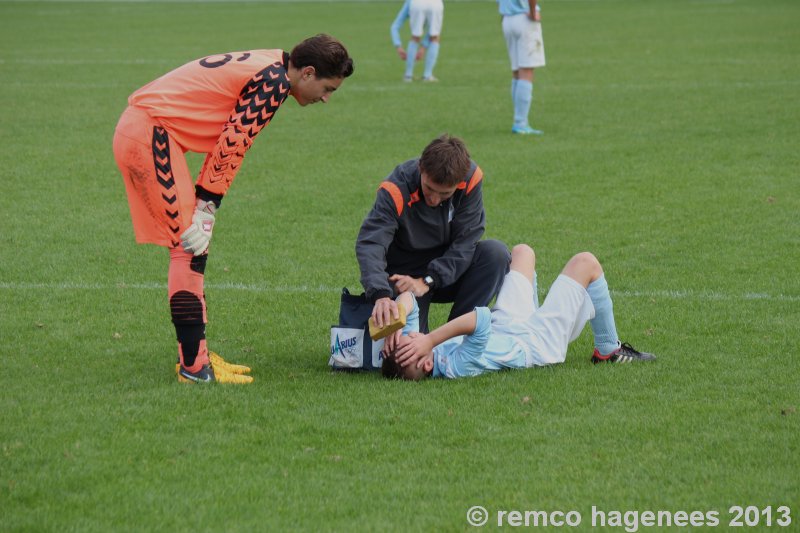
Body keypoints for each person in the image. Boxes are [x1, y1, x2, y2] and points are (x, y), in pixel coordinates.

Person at [113, 34, 354, 384]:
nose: (327, 99)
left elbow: (230, 137)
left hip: (151, 132)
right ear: (308, 72)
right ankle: (194, 368)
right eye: (328, 88)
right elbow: (234, 141)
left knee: (193, 248)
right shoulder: (274, 82)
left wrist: (206, 205)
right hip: (148, 134)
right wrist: (206, 208)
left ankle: (196, 357)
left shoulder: (274, 65)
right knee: (188, 249)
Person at [381, 244, 656, 380]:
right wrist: (429, 340)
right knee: (586, 262)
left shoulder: (413, 349)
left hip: (508, 326)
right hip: (535, 343)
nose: (412, 336)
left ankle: (536, 311)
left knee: (522, 252)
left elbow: (408, 296)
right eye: (412, 341)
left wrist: (398, 317)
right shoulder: (456, 367)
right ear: (427, 364)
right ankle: (608, 350)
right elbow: (480, 318)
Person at [356, 134, 511, 336]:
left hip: (446, 272)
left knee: (495, 254)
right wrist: (380, 294)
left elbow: (466, 241)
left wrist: (428, 280)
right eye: (429, 188)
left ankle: (456, 337)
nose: (434, 199)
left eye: (445, 194)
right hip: (404, 277)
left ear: (459, 183)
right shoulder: (395, 189)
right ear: (421, 168)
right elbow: (371, 244)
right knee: (409, 358)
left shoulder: (471, 180)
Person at [498, 0, 546, 134]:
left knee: (517, 72)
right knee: (526, 71)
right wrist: (532, 12)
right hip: (523, 19)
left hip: (506, 19)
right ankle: (520, 123)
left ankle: (519, 121)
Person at [404, 0, 444, 82]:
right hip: (434, 3)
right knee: (435, 37)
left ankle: (408, 75)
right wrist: (423, 46)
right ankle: (427, 75)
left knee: (415, 36)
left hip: (417, 3)